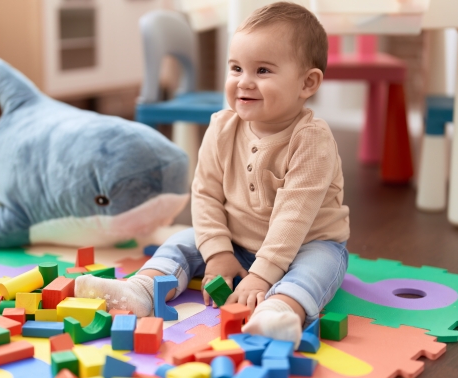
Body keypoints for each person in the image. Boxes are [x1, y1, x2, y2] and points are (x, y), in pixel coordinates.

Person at [75, 1, 349, 345]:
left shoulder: (312, 140)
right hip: (237, 239)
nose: (244, 82)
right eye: (236, 69)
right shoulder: (222, 126)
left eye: (262, 71)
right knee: (181, 241)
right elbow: (205, 194)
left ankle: (281, 311)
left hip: (306, 242)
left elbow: (294, 219)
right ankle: (140, 290)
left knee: (319, 267)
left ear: (307, 83)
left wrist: (262, 278)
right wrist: (219, 253)